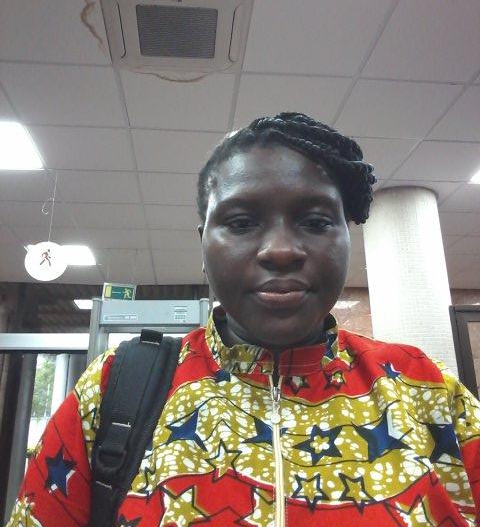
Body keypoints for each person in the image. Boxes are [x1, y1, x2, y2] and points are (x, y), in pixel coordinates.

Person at [7, 112, 480, 526]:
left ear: (346, 237)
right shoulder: (113, 388)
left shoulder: (425, 391)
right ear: (203, 244)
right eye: (241, 222)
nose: (281, 250)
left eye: (316, 221)